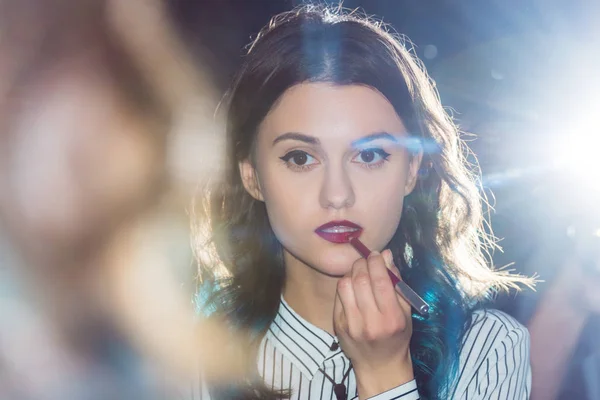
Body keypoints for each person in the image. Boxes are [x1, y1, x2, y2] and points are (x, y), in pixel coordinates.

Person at [192, 5, 534, 400]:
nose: (337, 194)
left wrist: (387, 375)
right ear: (251, 176)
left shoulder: (487, 348)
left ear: (411, 170)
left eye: (369, 156)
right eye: (301, 158)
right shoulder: (191, 354)